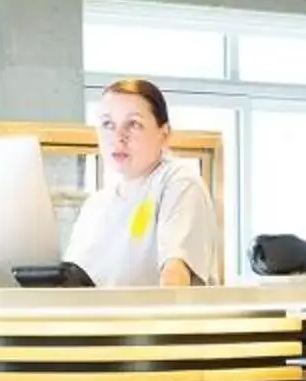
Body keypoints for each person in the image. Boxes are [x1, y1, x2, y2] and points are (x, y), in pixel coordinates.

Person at [63, 76, 222, 287]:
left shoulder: (177, 182)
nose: (118, 136)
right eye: (108, 124)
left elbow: (175, 278)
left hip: (158, 320)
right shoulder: (96, 204)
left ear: (164, 134)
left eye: (134, 124)